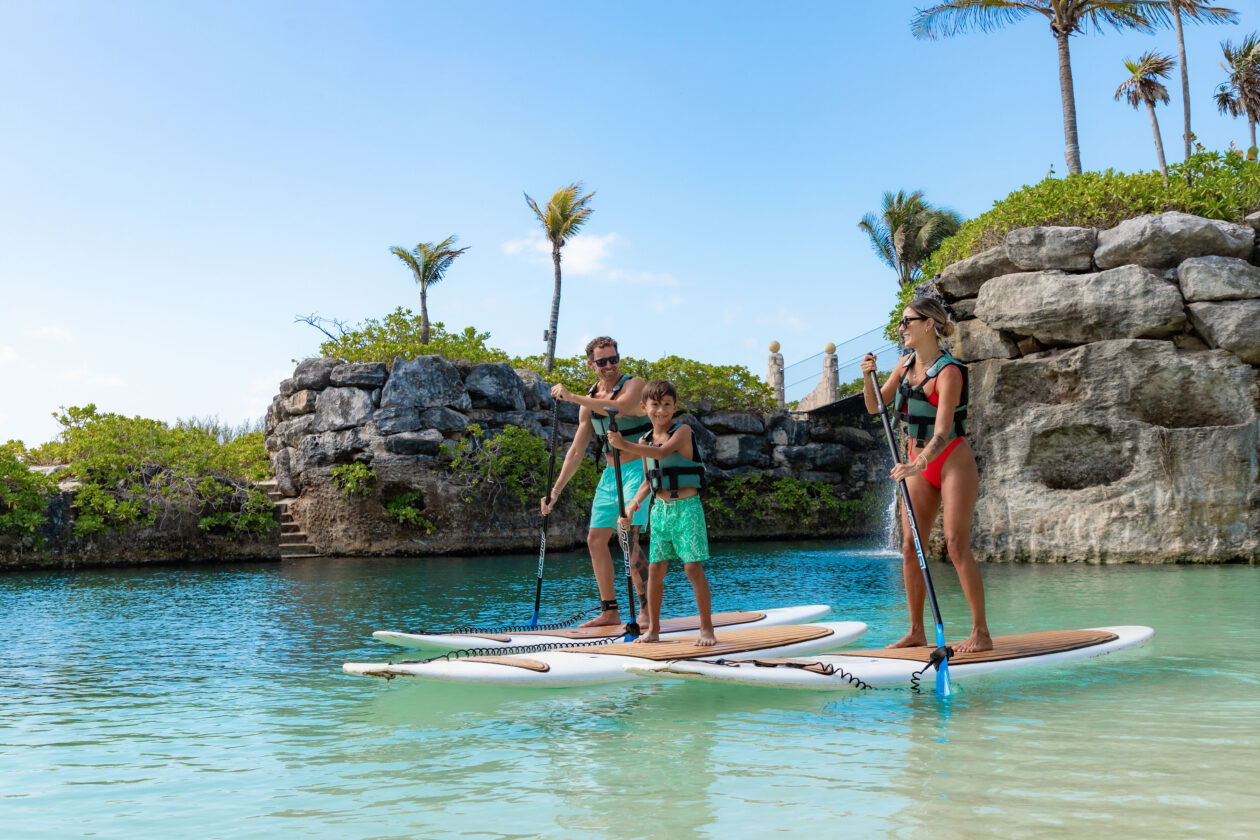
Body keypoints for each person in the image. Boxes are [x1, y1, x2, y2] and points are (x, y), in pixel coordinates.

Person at [861, 297, 992, 653]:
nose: (901, 328)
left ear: (929, 324)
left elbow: (944, 432)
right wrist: (867, 377)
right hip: (916, 464)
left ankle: (980, 632)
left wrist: (917, 464)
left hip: (951, 462)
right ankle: (916, 631)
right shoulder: (904, 366)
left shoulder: (949, 373)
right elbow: (874, 406)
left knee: (955, 543)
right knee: (909, 546)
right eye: (901, 322)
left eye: (908, 321)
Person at [540, 337, 651, 628]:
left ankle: (647, 611)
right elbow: (576, 451)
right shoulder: (589, 402)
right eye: (602, 362)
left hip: (638, 470)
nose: (610, 365)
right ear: (591, 364)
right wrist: (555, 491)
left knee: (628, 536)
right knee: (595, 539)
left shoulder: (634, 384)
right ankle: (610, 611)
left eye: (614, 359)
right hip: (610, 474)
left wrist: (572, 396)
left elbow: (620, 407)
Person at [610, 379, 716, 646]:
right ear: (644, 407)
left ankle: (707, 630)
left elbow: (663, 452)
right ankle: (654, 630)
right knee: (656, 570)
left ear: (675, 406)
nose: (661, 410)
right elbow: (649, 481)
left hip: (687, 510)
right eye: (655, 405)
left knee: (692, 568)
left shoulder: (682, 432)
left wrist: (623, 445)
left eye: (667, 404)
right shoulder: (644, 440)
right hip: (660, 512)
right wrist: (631, 507)